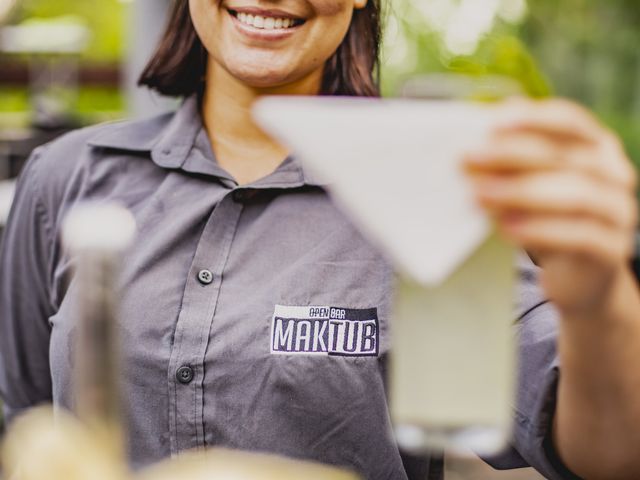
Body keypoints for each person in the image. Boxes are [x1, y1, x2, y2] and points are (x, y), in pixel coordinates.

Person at [1, 1, 639, 479]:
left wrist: (599, 297)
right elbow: (21, 427)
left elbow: (608, 452)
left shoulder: (428, 194)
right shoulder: (68, 178)